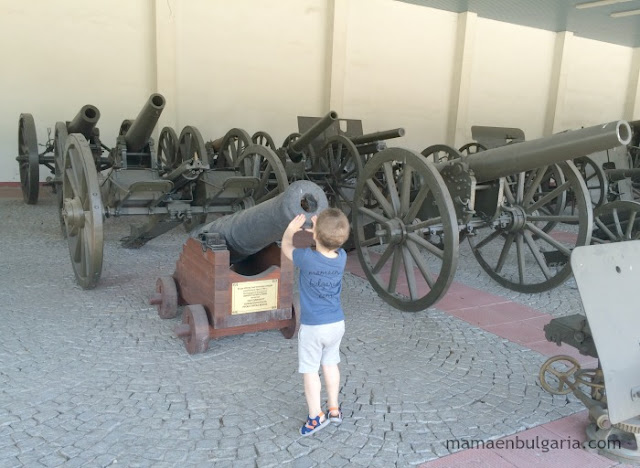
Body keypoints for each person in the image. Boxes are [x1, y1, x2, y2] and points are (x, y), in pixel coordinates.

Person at [281, 208, 350, 436]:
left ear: (315, 236)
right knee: (331, 364)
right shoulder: (342, 258)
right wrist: (321, 229)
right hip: (336, 323)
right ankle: (334, 409)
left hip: (313, 327)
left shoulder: (306, 258)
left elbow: (286, 248)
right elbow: (328, 241)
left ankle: (315, 417)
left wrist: (290, 231)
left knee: (310, 370)